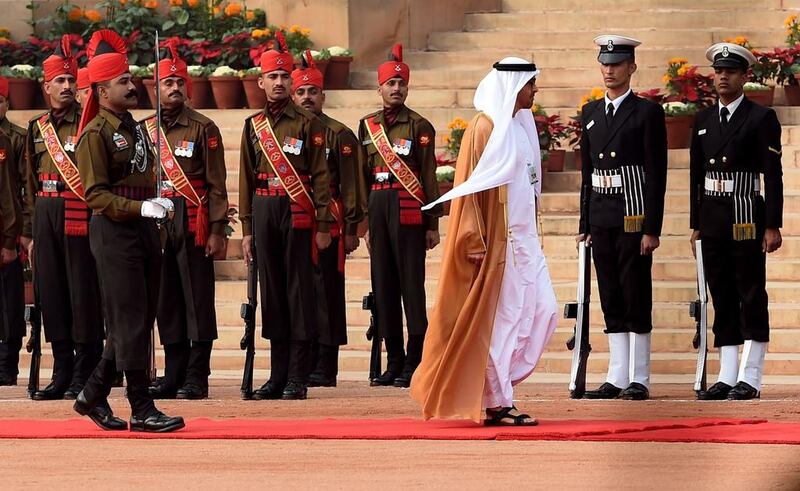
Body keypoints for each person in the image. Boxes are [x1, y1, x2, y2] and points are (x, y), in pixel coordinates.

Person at [410, 57, 557, 425]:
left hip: (525, 240)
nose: (534, 91)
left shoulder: (521, 124)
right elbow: (471, 191)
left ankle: (501, 386)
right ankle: (498, 402)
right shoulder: (484, 127)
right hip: (498, 244)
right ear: (513, 85)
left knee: (544, 311)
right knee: (503, 322)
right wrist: (474, 237)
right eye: (529, 85)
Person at [74, 29, 183, 432]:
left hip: (142, 230)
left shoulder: (135, 127)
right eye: (122, 81)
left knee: (139, 317)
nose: (132, 85)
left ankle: (91, 394)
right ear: (102, 91)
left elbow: (142, 175)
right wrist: (141, 206)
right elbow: (96, 196)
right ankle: (141, 406)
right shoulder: (94, 135)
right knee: (130, 320)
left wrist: (160, 202)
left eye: (130, 79)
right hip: (114, 232)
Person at [239, 33, 332, 401]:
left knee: (299, 293)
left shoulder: (309, 124)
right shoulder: (252, 125)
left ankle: (297, 376)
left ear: (292, 82)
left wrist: (324, 224)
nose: (278, 83)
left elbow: (322, 178)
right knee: (273, 292)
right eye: (271, 77)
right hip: (264, 207)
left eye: (284, 77)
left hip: (297, 211)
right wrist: (247, 228)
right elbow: (246, 178)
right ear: (260, 82)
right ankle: (275, 376)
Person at [576, 35, 668, 401]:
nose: (609, 70)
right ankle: (616, 374)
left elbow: (656, 173)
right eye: (605, 63)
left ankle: (639, 376)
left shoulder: (646, 112)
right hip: (602, 212)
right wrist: (585, 223)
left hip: (633, 212)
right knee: (610, 292)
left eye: (616, 64)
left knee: (635, 290)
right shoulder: (591, 113)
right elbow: (587, 173)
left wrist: (651, 227)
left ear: (631, 67)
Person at [690, 43, 783, 401]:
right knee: (722, 295)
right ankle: (727, 374)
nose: (723, 77)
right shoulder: (703, 120)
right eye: (719, 71)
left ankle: (751, 374)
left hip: (746, 214)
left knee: (750, 292)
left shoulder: (761, 118)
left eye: (731, 72)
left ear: (745, 77)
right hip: (713, 216)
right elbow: (697, 176)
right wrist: (696, 221)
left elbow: (772, 175)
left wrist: (772, 224)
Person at [21, 35, 105, 401]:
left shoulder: (89, 121)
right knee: (52, 293)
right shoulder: (37, 129)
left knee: (81, 292)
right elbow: (27, 181)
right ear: (46, 87)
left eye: (72, 80)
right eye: (61, 81)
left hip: (78, 213)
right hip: (46, 211)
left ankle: (85, 368)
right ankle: (61, 368)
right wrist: (29, 233)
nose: (68, 86)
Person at [145, 42, 227, 400]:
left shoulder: (203, 127)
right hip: (157, 226)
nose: (174, 88)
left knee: (197, 301)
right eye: (167, 83)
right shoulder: (144, 130)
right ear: (156, 88)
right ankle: (173, 374)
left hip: (194, 223)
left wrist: (219, 229)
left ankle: (198, 375)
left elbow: (216, 183)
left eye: (180, 82)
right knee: (167, 302)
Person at [358, 44, 441, 388]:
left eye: (401, 84)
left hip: (409, 212)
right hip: (378, 208)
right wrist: (362, 222)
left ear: (407, 88)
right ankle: (392, 361)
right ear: (379, 89)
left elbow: (429, 175)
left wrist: (432, 223)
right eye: (390, 84)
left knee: (411, 287)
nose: (396, 89)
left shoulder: (420, 125)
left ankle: (415, 358)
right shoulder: (367, 126)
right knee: (384, 286)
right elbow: (361, 175)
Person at [291, 51, 363, 387]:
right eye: (301, 92)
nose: (307, 97)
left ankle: (326, 366)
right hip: (294, 222)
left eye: (313, 92)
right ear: (293, 95)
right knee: (301, 293)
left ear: (323, 96)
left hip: (329, 224)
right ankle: (300, 362)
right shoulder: (286, 132)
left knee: (327, 295)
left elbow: (351, 186)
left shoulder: (340, 134)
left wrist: (351, 229)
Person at [0, 94, 23, 387]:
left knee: (8, 305)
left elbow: (10, 194)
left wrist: (10, 237)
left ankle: (6, 365)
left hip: (5, 230)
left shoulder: (9, 140)